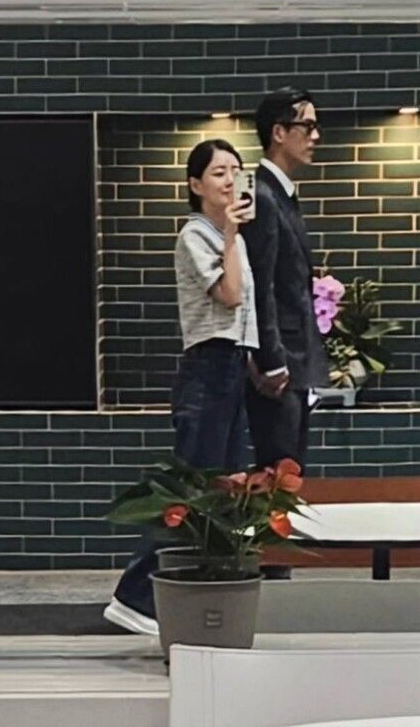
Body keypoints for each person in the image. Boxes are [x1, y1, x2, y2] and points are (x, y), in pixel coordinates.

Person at [103, 138, 258, 635]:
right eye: (218, 172)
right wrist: (230, 234)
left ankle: (198, 598)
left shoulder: (232, 238)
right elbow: (230, 296)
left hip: (233, 364)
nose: (230, 180)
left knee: (226, 487)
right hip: (209, 366)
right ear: (195, 184)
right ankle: (133, 596)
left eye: (235, 169)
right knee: (190, 490)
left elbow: (245, 315)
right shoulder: (196, 236)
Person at [242, 87, 328, 473]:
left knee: (289, 475)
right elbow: (260, 285)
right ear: (279, 132)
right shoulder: (262, 195)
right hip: (281, 367)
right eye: (307, 126)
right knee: (279, 476)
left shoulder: (281, 193)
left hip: (294, 363)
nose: (315, 136)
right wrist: (271, 361)